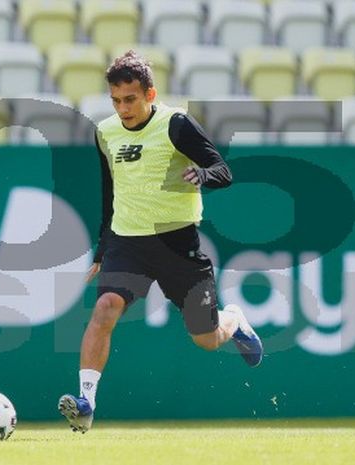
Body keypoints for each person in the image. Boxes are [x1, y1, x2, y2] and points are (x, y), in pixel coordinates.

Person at [58, 51, 263, 433]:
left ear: (149, 94)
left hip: (177, 244)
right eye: (116, 100)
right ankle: (86, 403)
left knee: (206, 338)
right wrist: (103, 248)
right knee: (105, 307)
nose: (123, 108)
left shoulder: (176, 124)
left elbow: (224, 171)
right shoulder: (105, 132)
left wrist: (202, 175)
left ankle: (233, 321)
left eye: (130, 99)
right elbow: (110, 194)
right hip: (127, 243)